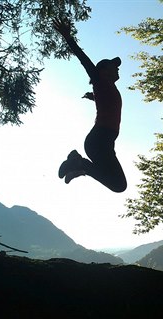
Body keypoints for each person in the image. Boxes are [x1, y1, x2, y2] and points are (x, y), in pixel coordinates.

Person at [53, 18, 127, 193]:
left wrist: (92, 98)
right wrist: (68, 38)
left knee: (119, 184)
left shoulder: (107, 87)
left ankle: (78, 163)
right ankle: (79, 164)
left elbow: (107, 104)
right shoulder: (99, 80)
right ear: (103, 70)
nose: (117, 69)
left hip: (103, 142)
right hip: (100, 140)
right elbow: (84, 60)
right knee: (119, 185)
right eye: (113, 66)